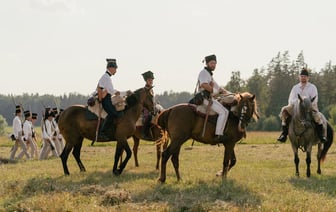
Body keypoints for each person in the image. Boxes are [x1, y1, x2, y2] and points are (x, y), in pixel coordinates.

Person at [277, 67, 327, 143]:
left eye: (305, 77)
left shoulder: (312, 87)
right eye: (301, 76)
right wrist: (299, 103)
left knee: (317, 117)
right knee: (284, 111)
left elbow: (315, 99)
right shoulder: (295, 88)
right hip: (295, 107)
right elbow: (291, 99)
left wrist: (306, 103)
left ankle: (321, 136)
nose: (303, 78)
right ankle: (284, 134)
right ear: (299, 77)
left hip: (309, 107)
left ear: (308, 78)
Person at [197, 54, 229, 142]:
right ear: (207, 64)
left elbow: (219, 88)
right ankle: (218, 134)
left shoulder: (209, 74)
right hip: (205, 99)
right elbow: (204, 84)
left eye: (215, 63)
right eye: (211, 63)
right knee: (224, 112)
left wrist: (228, 93)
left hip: (209, 98)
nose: (213, 65)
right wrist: (215, 91)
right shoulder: (203, 73)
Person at [97, 58, 122, 139]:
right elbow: (110, 90)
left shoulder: (106, 76)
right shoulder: (106, 77)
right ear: (110, 68)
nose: (116, 71)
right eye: (115, 69)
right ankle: (102, 132)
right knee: (112, 114)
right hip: (105, 99)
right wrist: (116, 92)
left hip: (108, 98)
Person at [141, 70, 155, 139]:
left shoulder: (151, 89)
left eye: (152, 80)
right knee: (149, 116)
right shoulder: (144, 90)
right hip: (145, 108)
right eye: (149, 80)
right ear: (146, 81)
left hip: (152, 107)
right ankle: (145, 133)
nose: (151, 81)